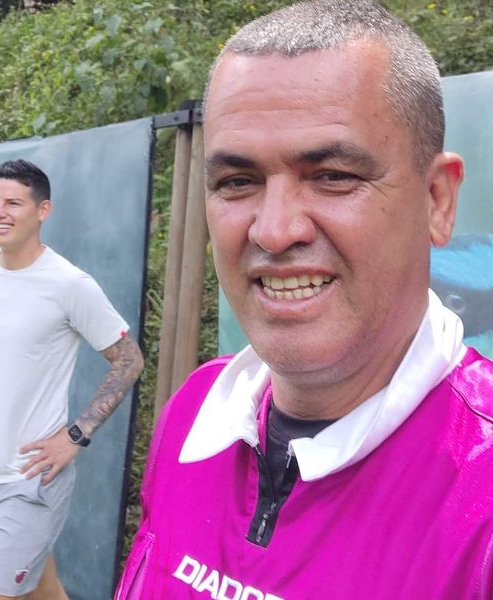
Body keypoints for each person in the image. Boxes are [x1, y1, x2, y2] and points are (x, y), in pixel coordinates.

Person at [116, 1, 493, 598]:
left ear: (436, 201)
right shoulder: (195, 409)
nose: (273, 231)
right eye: (237, 182)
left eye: (333, 175)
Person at [0, 159, 144, 600]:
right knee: (43, 590)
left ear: (43, 210)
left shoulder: (69, 284)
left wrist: (76, 435)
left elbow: (129, 360)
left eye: (13, 203)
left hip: (31, 478)